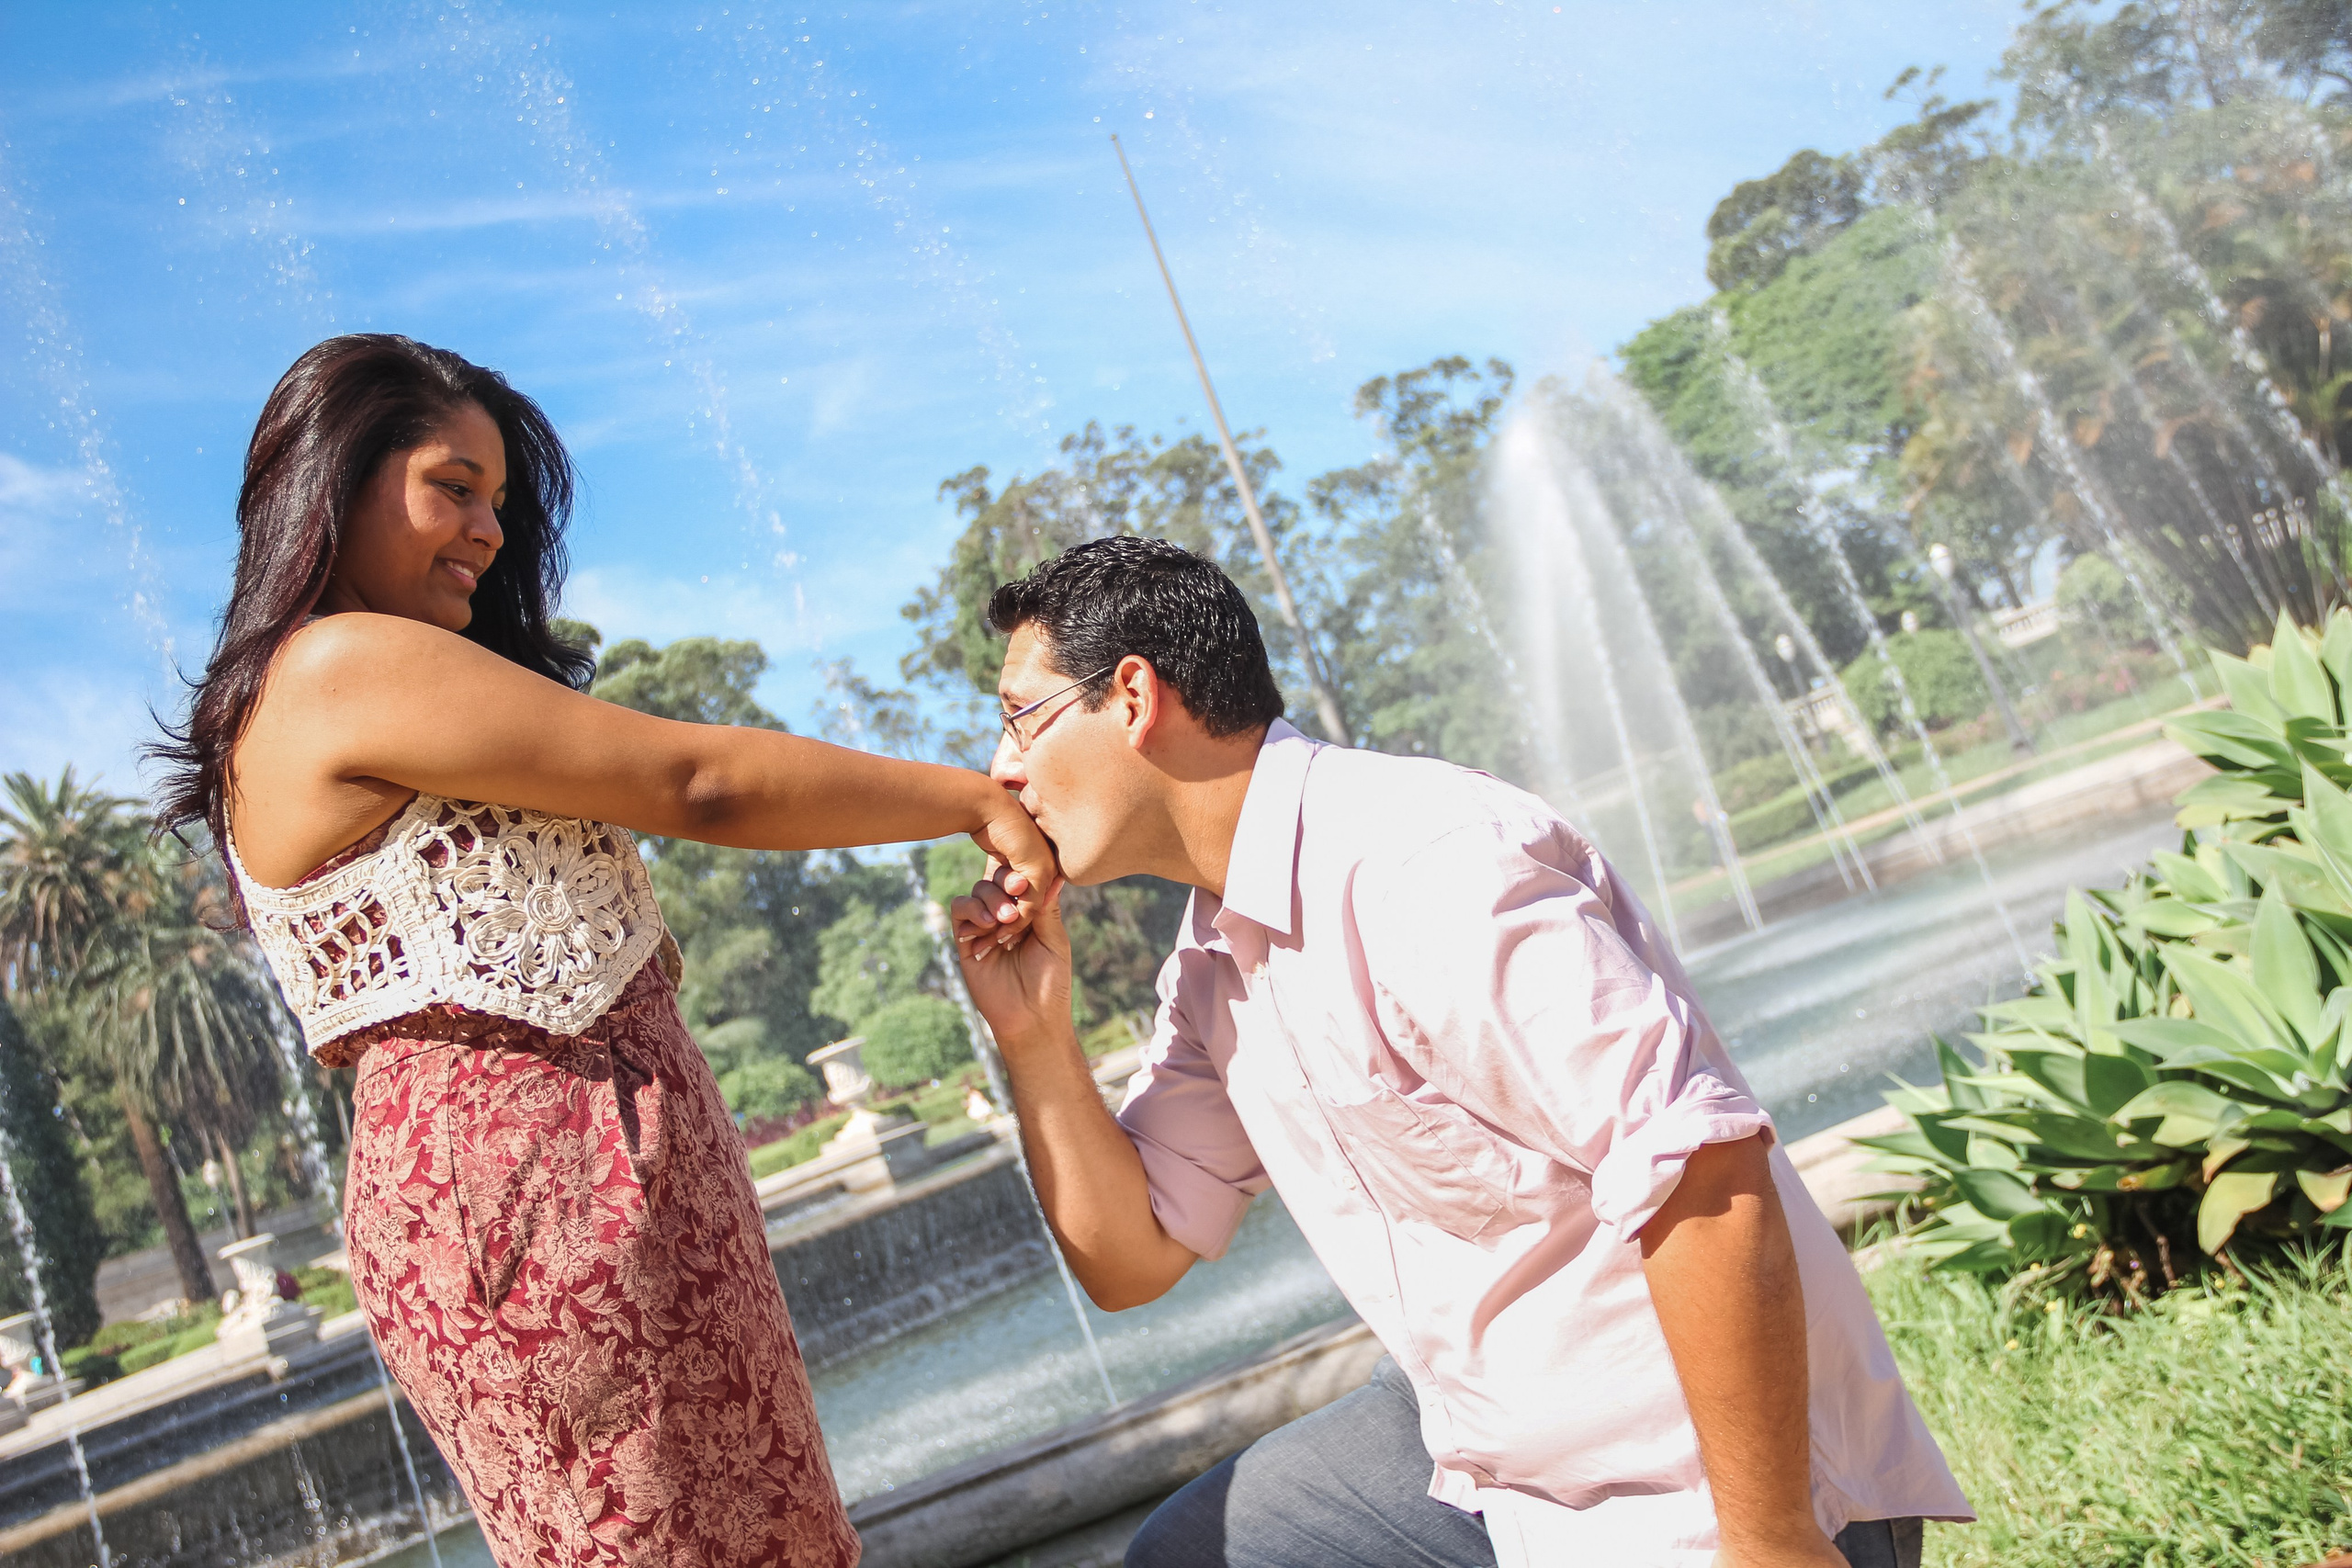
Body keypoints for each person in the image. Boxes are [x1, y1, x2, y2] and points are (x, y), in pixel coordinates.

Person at [155, 333, 1050, 1568]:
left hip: (553, 1163)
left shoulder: (330, 685)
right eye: (451, 486)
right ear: (335, 483)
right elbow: (699, 783)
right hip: (543, 1169)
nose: (485, 529)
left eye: (497, 501)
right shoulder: (337, 663)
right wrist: (972, 800)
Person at [949, 537, 1971, 1568]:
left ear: (1133, 696)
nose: (1002, 768)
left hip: (1696, 1484)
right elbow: (1129, 1258)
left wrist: (1771, 1538)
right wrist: (1034, 1035)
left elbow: (1704, 1172)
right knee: (1192, 1556)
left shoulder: (1424, 863)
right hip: (1497, 1460)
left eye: (1020, 717)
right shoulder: (1215, 963)